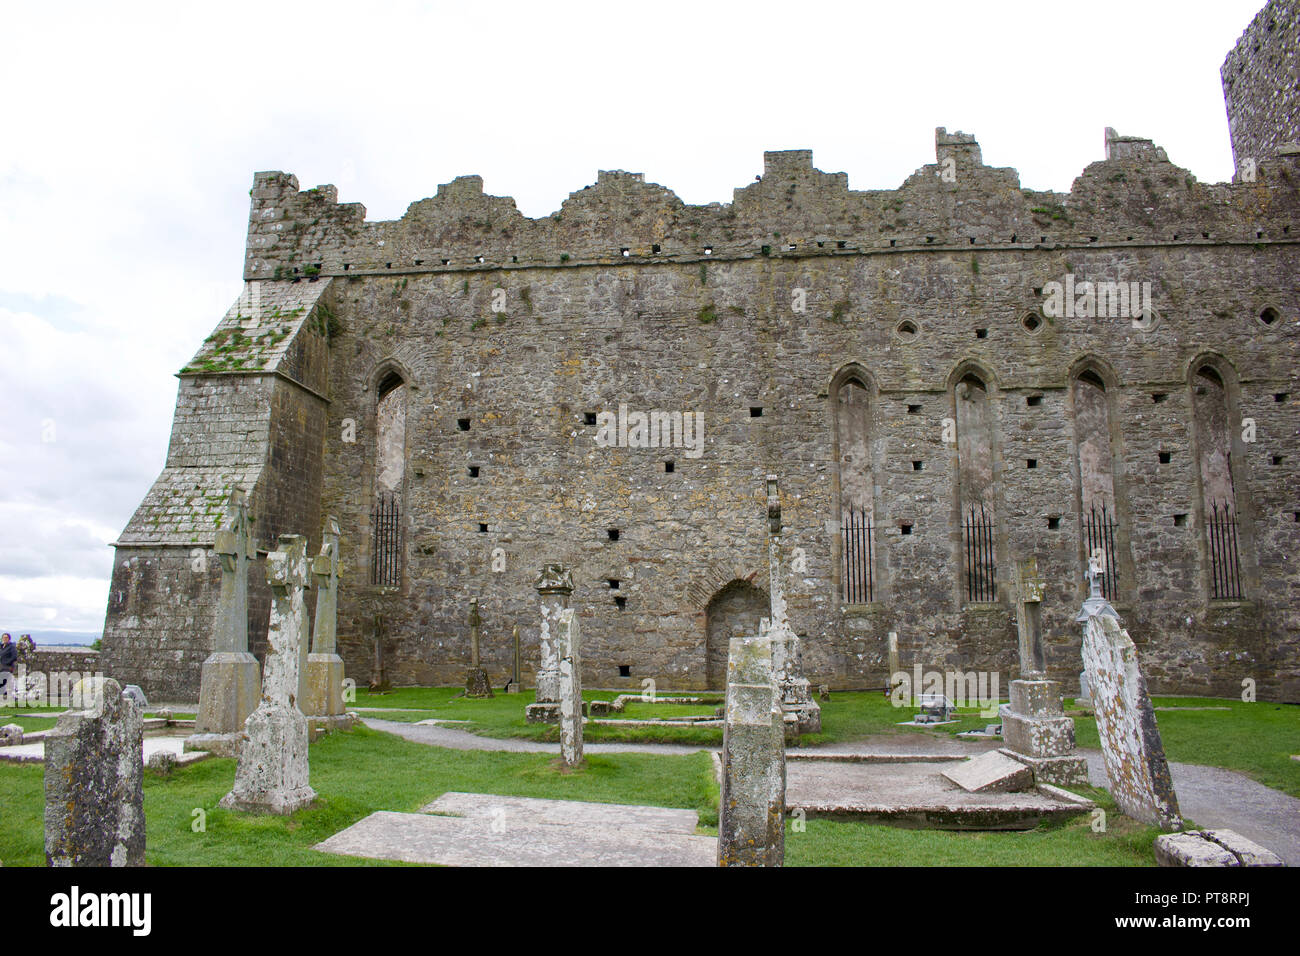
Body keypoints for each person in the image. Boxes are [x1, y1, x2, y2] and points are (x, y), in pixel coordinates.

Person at [0, 633, 17, 699]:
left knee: (2, 681)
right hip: (1, 667)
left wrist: (6, 662)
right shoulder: (2, 646)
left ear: (9, 639)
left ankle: (5, 695)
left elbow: (14, 657)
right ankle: (5, 695)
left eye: (6, 637)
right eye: (3, 637)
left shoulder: (11, 646)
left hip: (8, 667)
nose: (5, 639)